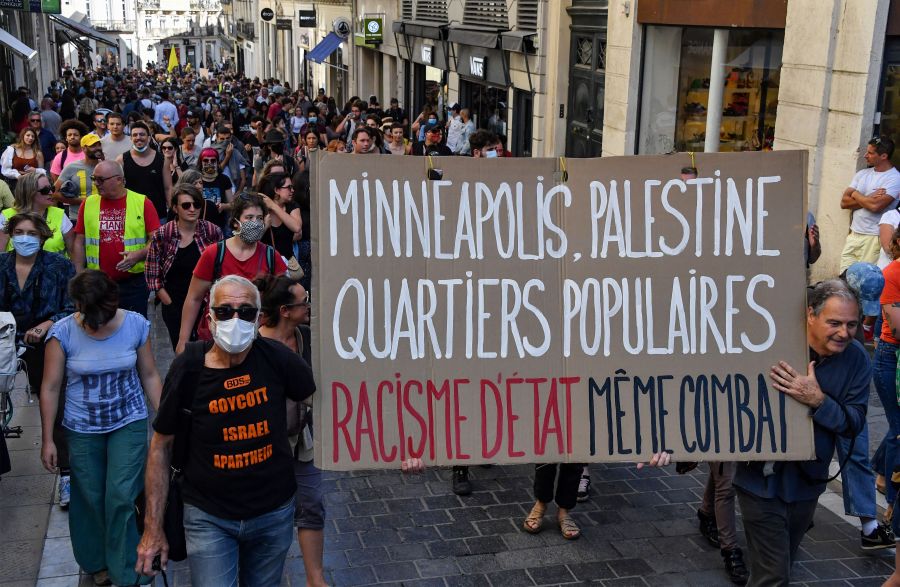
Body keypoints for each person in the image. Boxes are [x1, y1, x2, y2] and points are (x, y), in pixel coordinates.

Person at [136, 275, 316, 586]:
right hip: (208, 517)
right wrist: (153, 528)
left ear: (258, 318)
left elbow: (336, 405)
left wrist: (402, 447)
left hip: (273, 514)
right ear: (210, 317)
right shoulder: (189, 366)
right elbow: (161, 446)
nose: (235, 319)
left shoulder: (278, 359)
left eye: (246, 312)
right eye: (224, 311)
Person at [734, 279, 871, 586]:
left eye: (852, 324)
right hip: (759, 480)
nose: (844, 332)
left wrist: (818, 401)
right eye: (834, 322)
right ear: (811, 314)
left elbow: (854, 422)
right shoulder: (768, 341)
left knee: (783, 565)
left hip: (808, 483)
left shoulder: (857, 359)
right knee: (774, 575)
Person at [40, 269, 162, 587]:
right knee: (90, 496)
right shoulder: (63, 332)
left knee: (122, 495)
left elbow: (149, 374)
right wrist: (47, 440)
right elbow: (50, 387)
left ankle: (126, 570)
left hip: (128, 421)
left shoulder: (135, 324)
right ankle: (96, 560)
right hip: (81, 427)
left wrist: (166, 421)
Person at [0, 212, 75, 507]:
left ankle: (66, 475)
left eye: (31, 233)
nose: (25, 238)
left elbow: (72, 307)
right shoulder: (2, 266)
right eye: (19, 232)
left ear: (43, 236)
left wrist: (48, 324)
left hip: (48, 345)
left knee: (57, 409)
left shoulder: (60, 266)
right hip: (6, 345)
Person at [255, 275, 325, 587]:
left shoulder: (307, 337)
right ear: (285, 310)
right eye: (303, 302)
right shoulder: (254, 345)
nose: (308, 305)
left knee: (311, 504)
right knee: (268, 513)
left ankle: (315, 579)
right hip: (265, 446)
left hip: (303, 441)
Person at [175, 194, 287, 353]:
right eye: (249, 217)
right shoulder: (214, 254)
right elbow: (194, 298)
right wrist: (183, 340)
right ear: (236, 222)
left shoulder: (271, 256)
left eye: (259, 218)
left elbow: (283, 299)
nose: (255, 223)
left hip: (256, 339)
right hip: (217, 339)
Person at [72, 160, 161, 316]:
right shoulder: (88, 203)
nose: (96, 184)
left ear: (119, 179)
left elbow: (157, 240)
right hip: (96, 283)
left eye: (101, 179)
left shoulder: (142, 202)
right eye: (94, 179)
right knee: (98, 330)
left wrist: (138, 255)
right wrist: (79, 276)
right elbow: (79, 241)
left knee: (133, 330)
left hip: (133, 284)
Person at [146, 185, 222, 350]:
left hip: (205, 301)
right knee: (181, 350)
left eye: (197, 204)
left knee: (207, 348)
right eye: (186, 205)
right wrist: (166, 299)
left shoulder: (212, 231)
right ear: (175, 208)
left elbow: (220, 266)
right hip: (174, 301)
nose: (192, 209)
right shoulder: (163, 234)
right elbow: (152, 270)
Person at [0, 171, 74, 255]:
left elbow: (73, 252)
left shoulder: (59, 214)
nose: (51, 193)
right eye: (45, 190)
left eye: (51, 188)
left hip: (55, 267)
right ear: (29, 193)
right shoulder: (6, 216)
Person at [118, 121, 171, 221]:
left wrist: (172, 211)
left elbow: (168, 188)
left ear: (149, 137)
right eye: (135, 135)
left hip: (158, 215)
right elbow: (118, 188)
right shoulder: (121, 160)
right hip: (131, 215)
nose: (138, 137)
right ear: (131, 138)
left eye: (142, 134)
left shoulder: (162, 160)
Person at [55, 134, 104, 221]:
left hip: (102, 217)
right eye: (93, 146)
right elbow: (54, 193)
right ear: (84, 149)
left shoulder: (106, 166)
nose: (98, 148)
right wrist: (81, 201)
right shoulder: (72, 167)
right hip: (77, 218)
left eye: (99, 145)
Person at [258, 172, 302, 260]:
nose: (292, 190)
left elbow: (297, 227)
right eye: (289, 187)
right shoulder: (260, 209)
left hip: (287, 265)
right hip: (265, 263)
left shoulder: (292, 206)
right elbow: (251, 240)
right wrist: (265, 226)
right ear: (276, 190)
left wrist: (273, 206)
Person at [198, 147, 233, 229]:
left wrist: (224, 206)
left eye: (213, 160)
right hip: (199, 223)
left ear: (217, 162)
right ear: (201, 162)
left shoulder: (224, 179)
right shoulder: (196, 179)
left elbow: (232, 204)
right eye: (206, 160)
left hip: (219, 224)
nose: (209, 163)